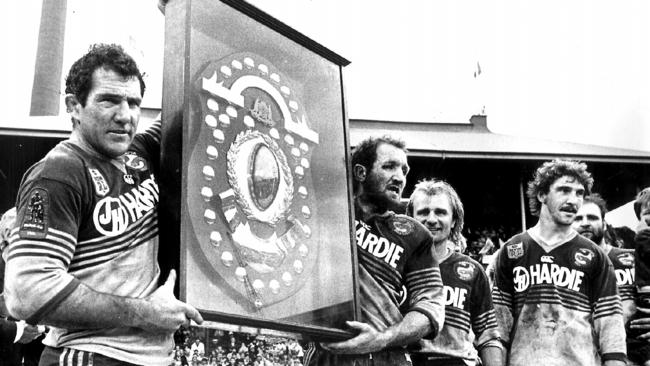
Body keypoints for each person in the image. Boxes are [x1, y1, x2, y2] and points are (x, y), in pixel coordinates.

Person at [3, 43, 203, 366]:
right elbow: (26, 292)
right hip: (91, 355)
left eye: (134, 103)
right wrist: (144, 313)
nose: (125, 116)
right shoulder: (59, 173)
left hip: (151, 357)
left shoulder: (138, 153)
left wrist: (185, 18)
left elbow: (190, 99)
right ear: (74, 106)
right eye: (109, 100)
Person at [304, 136, 445, 365]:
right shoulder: (324, 217)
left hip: (389, 358)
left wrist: (380, 339)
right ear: (361, 173)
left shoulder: (415, 234)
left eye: (404, 170)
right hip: (328, 356)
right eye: (389, 166)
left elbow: (430, 307)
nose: (399, 177)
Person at [492, 159, 626, 366]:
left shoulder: (595, 256)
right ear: (542, 194)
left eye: (579, 193)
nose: (573, 200)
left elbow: (611, 327)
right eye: (564, 190)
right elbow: (499, 324)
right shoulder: (512, 250)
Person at [406, 179, 503, 366]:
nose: (432, 219)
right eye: (424, 212)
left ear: (454, 221)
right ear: (410, 218)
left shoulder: (473, 271)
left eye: (440, 212)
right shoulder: (398, 268)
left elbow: (488, 337)